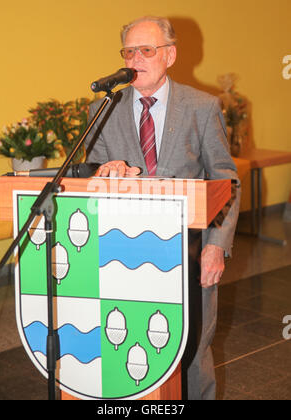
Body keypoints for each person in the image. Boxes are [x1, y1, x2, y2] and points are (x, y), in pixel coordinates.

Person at [85, 16, 240, 400]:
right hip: (123, 253)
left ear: (169, 55)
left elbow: (226, 180)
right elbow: (89, 174)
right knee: (130, 348)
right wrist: (104, 171)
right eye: (129, 51)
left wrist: (216, 245)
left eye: (147, 50)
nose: (136, 59)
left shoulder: (202, 107)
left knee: (191, 350)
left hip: (187, 250)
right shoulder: (102, 108)